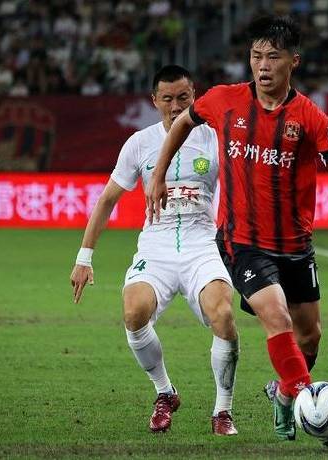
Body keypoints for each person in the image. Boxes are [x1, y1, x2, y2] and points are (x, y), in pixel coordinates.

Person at [146, 15, 328, 444]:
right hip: (242, 241)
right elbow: (183, 122)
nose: (263, 65)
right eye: (256, 56)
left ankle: (283, 393)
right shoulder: (224, 100)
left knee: (310, 336)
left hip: (295, 245)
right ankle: (313, 403)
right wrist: (158, 175)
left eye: (273, 57)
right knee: (276, 315)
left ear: (293, 61)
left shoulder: (309, 116)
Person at [69, 65, 239, 436]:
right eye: (168, 99)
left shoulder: (214, 138)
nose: (176, 106)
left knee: (224, 315)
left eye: (183, 97)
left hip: (201, 243)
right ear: (154, 101)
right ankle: (165, 392)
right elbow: (107, 200)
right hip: (156, 245)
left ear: (195, 96)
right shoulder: (140, 143)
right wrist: (84, 258)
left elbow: (243, 185)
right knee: (133, 312)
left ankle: (222, 411)